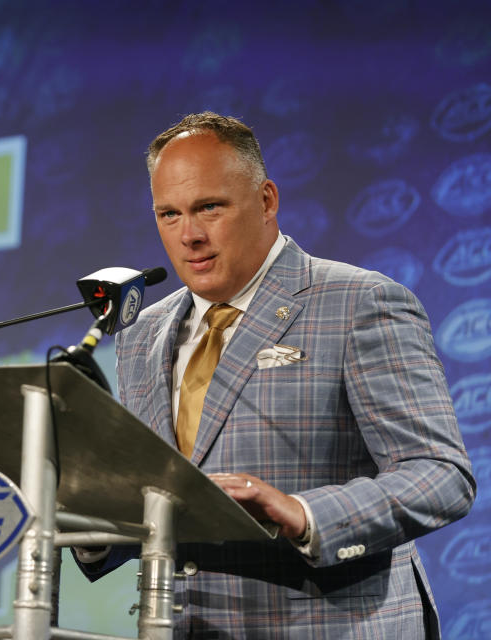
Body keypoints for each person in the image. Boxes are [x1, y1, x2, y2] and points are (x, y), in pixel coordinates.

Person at [75, 112, 475, 639]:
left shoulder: (358, 303)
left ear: (266, 200)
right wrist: (89, 518)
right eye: (168, 215)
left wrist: (304, 514)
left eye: (209, 208)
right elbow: (168, 499)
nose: (189, 235)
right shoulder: (141, 333)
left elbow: (440, 475)